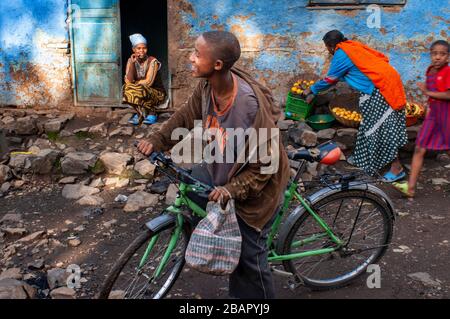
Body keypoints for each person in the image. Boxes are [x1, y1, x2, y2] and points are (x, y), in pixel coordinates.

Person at [137, 31, 290, 299]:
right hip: (223, 167)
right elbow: (187, 115)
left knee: (249, 261)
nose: (191, 58)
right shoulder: (209, 86)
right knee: (194, 183)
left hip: (257, 187)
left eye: (197, 54)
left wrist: (232, 189)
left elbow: (265, 164)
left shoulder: (246, 106)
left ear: (217, 64)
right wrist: (158, 139)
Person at [303, 30, 408, 180]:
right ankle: (363, 158)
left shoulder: (341, 53)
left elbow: (330, 79)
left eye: (327, 47)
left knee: (382, 129)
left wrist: (311, 89)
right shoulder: (352, 47)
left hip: (379, 89)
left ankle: (397, 168)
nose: (328, 51)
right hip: (386, 83)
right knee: (369, 125)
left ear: (331, 46)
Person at [393, 40, 450, 197]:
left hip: (446, 114)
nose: (437, 57)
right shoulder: (430, 70)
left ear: (448, 57)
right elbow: (431, 93)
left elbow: (448, 95)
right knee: (419, 147)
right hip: (433, 115)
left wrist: (427, 93)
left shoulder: (447, 73)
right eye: (434, 53)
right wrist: (427, 109)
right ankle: (410, 188)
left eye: (442, 54)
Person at [123, 33, 166, 125]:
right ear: (133, 50)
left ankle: (152, 112)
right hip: (141, 90)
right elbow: (128, 81)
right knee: (126, 89)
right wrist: (132, 64)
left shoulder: (153, 61)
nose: (142, 51)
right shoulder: (130, 61)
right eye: (138, 48)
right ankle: (140, 113)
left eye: (144, 48)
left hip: (157, 93)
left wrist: (135, 83)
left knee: (139, 89)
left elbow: (148, 82)